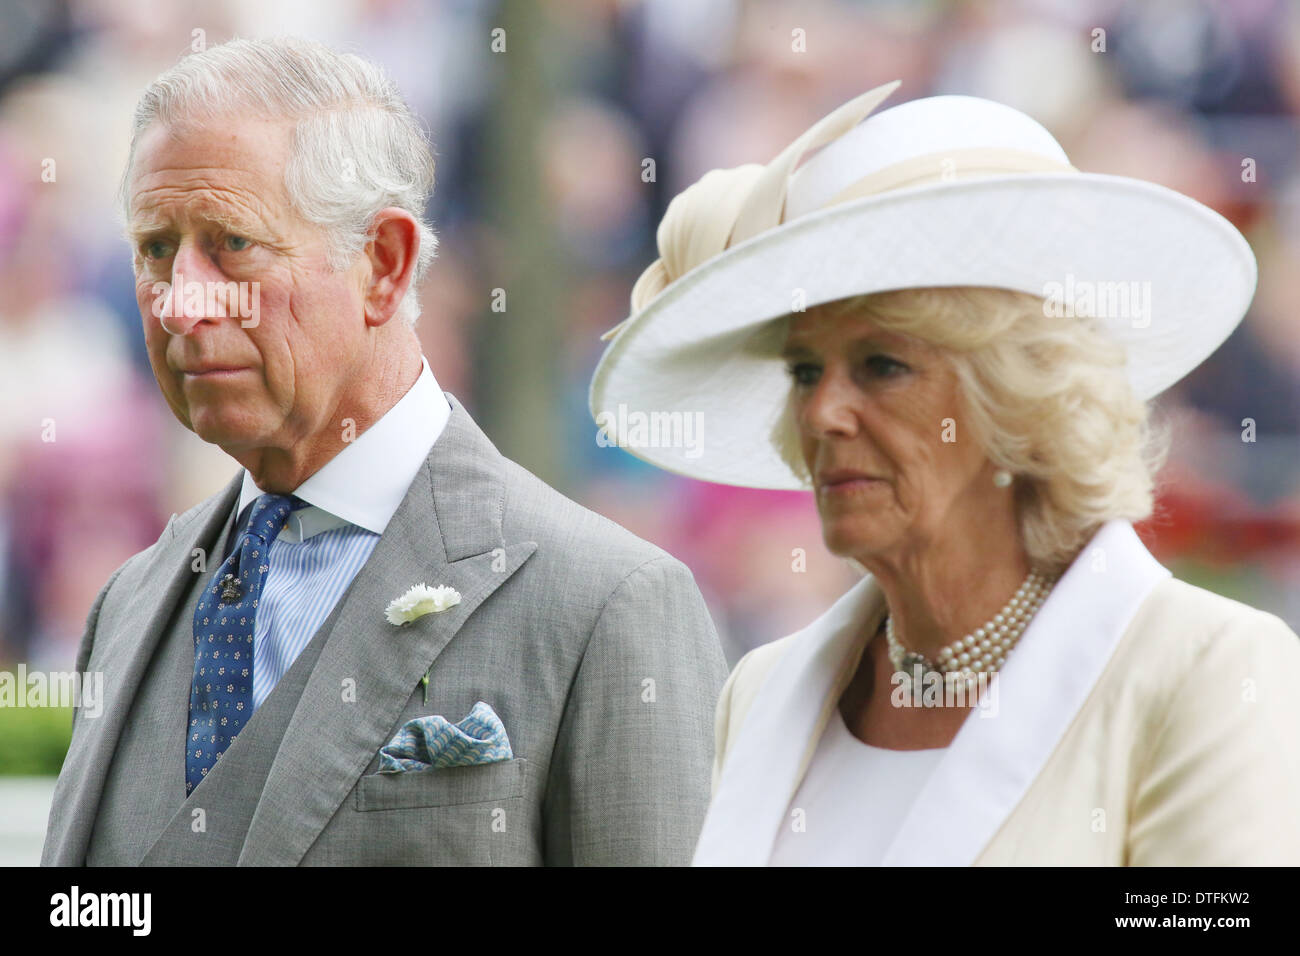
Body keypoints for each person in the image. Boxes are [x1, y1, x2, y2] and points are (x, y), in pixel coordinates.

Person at [42, 36, 726, 867]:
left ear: (383, 264)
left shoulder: (604, 604)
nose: (182, 301)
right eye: (155, 249)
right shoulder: (130, 603)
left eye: (231, 244)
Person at [589, 81, 1300, 865]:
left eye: (882, 364)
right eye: (803, 371)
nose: (824, 412)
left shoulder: (1206, 666)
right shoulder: (762, 688)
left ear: (1019, 396)